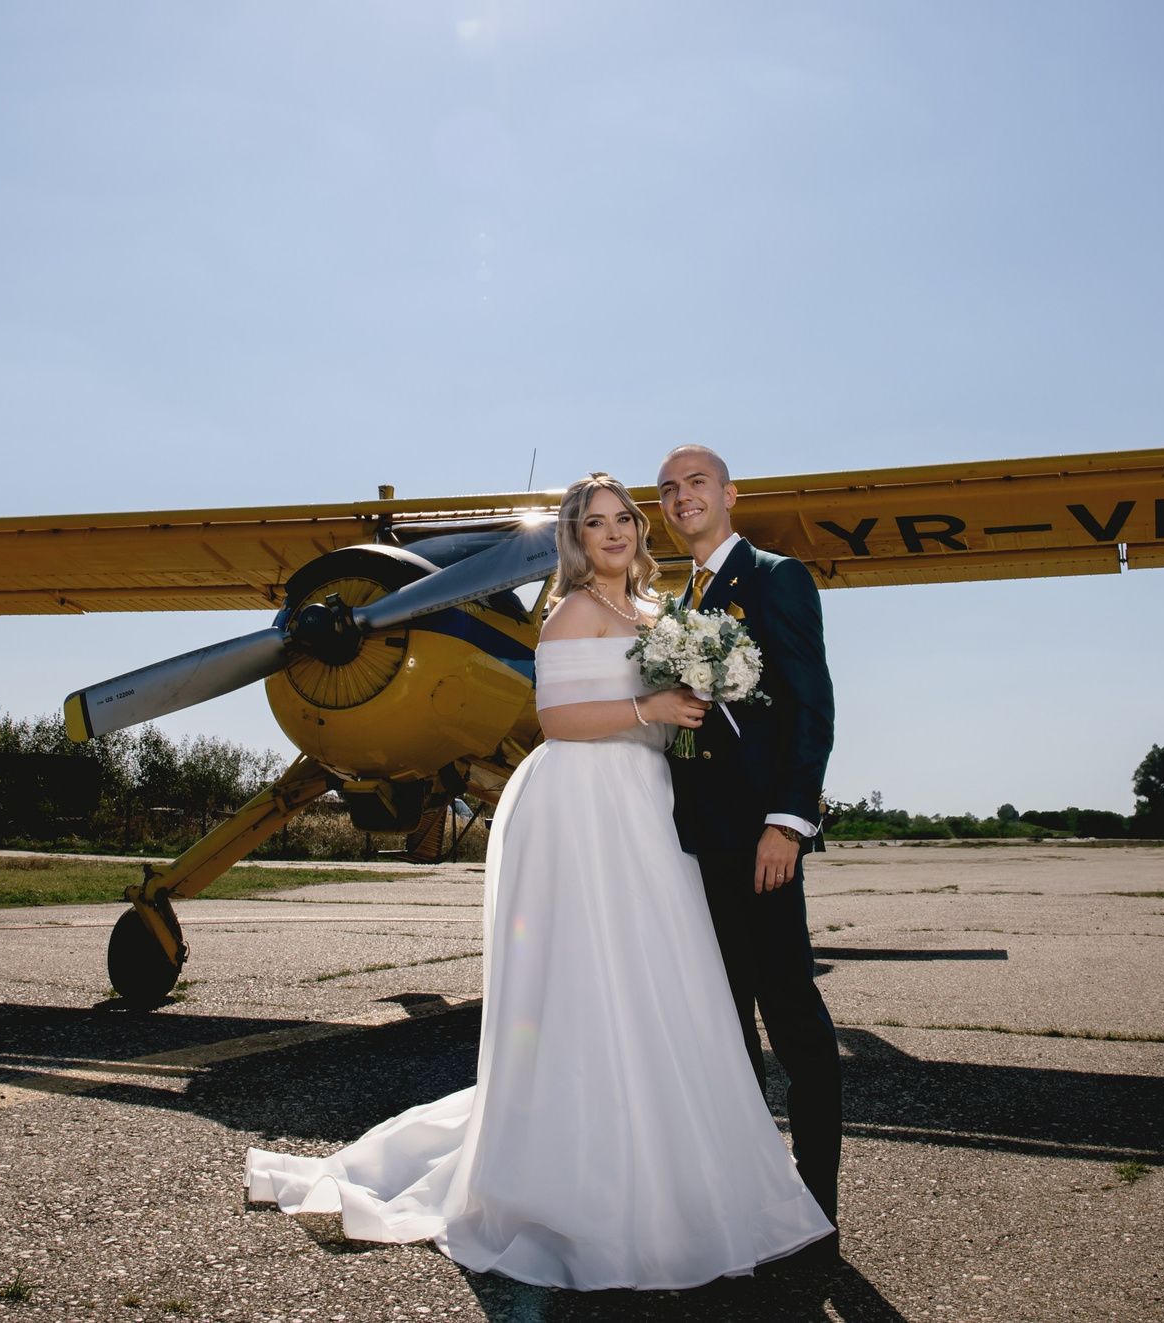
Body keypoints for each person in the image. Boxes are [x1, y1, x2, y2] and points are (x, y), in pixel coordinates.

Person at [242, 473, 834, 1290]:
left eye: (623, 518)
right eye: (593, 524)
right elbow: (556, 719)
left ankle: (672, 1159)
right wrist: (650, 712)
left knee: (664, 981)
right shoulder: (573, 612)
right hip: (585, 804)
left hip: (652, 807)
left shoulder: (666, 615)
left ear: (638, 528)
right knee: (588, 981)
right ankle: (582, 1172)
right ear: (577, 540)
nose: (613, 532)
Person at [656, 443, 843, 1247]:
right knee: (723, 1024)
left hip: (759, 841)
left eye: (696, 482)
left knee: (791, 1014)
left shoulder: (775, 577)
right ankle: (748, 1189)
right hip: (692, 846)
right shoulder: (673, 604)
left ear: (730, 493)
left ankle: (817, 1199)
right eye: (667, 488)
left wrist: (787, 820)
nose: (681, 496)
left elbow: (810, 702)